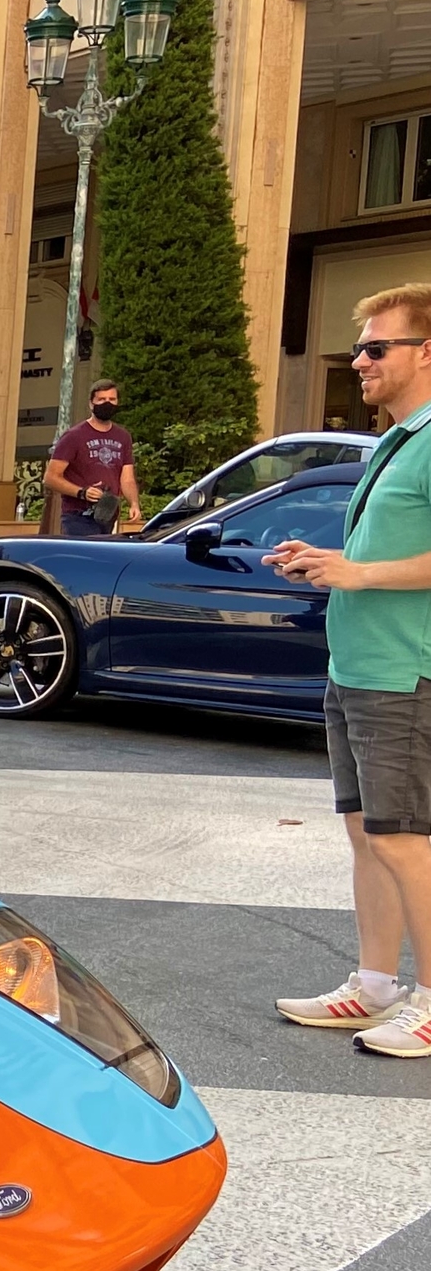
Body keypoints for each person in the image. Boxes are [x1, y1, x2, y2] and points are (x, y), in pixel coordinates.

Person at [266, 284, 431, 1056]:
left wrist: (358, 574)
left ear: (425, 352)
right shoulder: (400, 438)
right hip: (358, 664)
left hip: (406, 671)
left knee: (406, 838)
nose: (359, 360)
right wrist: (327, 565)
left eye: (376, 347)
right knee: (367, 833)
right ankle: (374, 985)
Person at [45, 381, 141, 536]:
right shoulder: (74, 436)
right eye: (102, 400)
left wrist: (134, 504)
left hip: (107, 513)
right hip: (78, 515)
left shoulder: (123, 437)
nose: (107, 403)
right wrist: (81, 492)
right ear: (91, 404)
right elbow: (51, 477)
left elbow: (127, 478)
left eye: (112, 399)